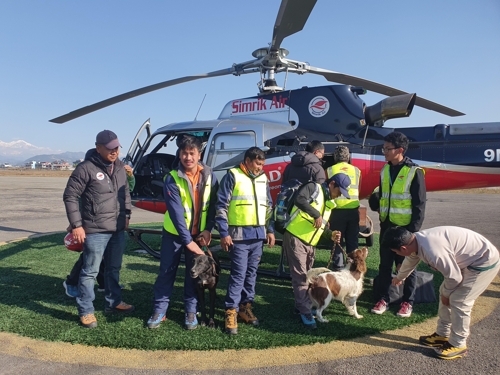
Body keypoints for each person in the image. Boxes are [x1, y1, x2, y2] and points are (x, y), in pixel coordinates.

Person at [383, 226, 500, 360]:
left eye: (395, 251)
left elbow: (454, 277)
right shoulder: (415, 241)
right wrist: (400, 277)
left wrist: (446, 294)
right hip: (469, 260)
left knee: (459, 300)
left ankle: (459, 344)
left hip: (483, 262)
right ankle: (442, 334)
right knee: (446, 293)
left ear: (403, 248)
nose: (396, 254)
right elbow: (411, 259)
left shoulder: (433, 251)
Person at [63, 130, 134, 328]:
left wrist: (127, 215)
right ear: (98, 148)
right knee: (90, 272)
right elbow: (69, 196)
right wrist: (77, 225)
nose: (115, 151)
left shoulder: (120, 168)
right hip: (95, 230)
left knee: (113, 269)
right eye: (110, 148)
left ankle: (114, 302)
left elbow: (125, 193)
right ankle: (86, 310)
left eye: (117, 147)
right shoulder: (85, 168)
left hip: (117, 229)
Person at [147, 135, 218, 330]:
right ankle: (160, 310)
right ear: (179, 154)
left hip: (197, 236)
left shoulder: (210, 175)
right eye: (184, 153)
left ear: (199, 154)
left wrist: (207, 229)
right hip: (175, 236)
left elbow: (213, 206)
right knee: (166, 272)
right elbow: (177, 214)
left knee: (192, 275)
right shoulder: (172, 178)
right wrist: (188, 242)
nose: (188, 157)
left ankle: (190, 311)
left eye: (191, 153)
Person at [215, 147, 275, 335]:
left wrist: (270, 230)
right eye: (258, 164)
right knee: (238, 274)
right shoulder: (232, 175)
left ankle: (245, 307)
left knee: (251, 274)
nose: (260, 168)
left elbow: (269, 207)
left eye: (262, 164)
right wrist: (224, 233)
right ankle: (230, 311)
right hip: (238, 237)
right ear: (247, 161)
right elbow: (221, 207)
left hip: (258, 236)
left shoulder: (263, 179)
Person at [282, 173, 349, 328]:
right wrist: (316, 213)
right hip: (295, 237)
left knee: (309, 278)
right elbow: (299, 199)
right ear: (332, 184)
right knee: (301, 278)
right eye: (339, 191)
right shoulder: (314, 187)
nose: (339, 195)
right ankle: (305, 311)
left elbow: (321, 227)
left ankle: (301, 306)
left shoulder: (329, 203)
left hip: (310, 243)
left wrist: (331, 235)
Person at [371, 131, 426, 318]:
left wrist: (412, 233)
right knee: (384, 265)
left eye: (388, 149)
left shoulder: (414, 172)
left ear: (400, 150)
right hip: (387, 227)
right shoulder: (384, 170)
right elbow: (382, 193)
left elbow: (419, 204)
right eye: (383, 148)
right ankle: (383, 299)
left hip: (405, 230)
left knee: (407, 268)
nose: (384, 152)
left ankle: (407, 302)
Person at [63, 164, 135, 298]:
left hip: (110, 222)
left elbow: (126, 190)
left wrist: (130, 176)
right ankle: (72, 282)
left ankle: (104, 284)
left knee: (105, 256)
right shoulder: (88, 170)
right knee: (89, 259)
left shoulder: (114, 171)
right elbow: (77, 198)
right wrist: (76, 223)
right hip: (91, 223)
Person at [326, 145, 361, 271]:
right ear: (348, 157)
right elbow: (359, 190)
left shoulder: (330, 170)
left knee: (337, 241)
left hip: (337, 210)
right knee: (353, 241)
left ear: (335, 157)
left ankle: (338, 269)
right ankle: (353, 268)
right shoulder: (356, 170)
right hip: (353, 210)